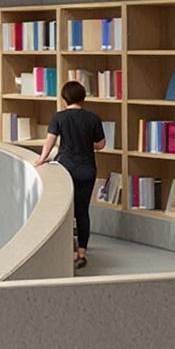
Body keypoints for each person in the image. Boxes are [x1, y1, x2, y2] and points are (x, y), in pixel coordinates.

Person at [35, 78, 105, 270]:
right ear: (83, 98)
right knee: (82, 212)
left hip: (65, 169)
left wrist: (41, 159)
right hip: (87, 170)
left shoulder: (59, 117)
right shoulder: (93, 118)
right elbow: (100, 145)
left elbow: (49, 142)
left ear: (64, 99)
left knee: (65, 212)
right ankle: (81, 252)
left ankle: (65, 250)